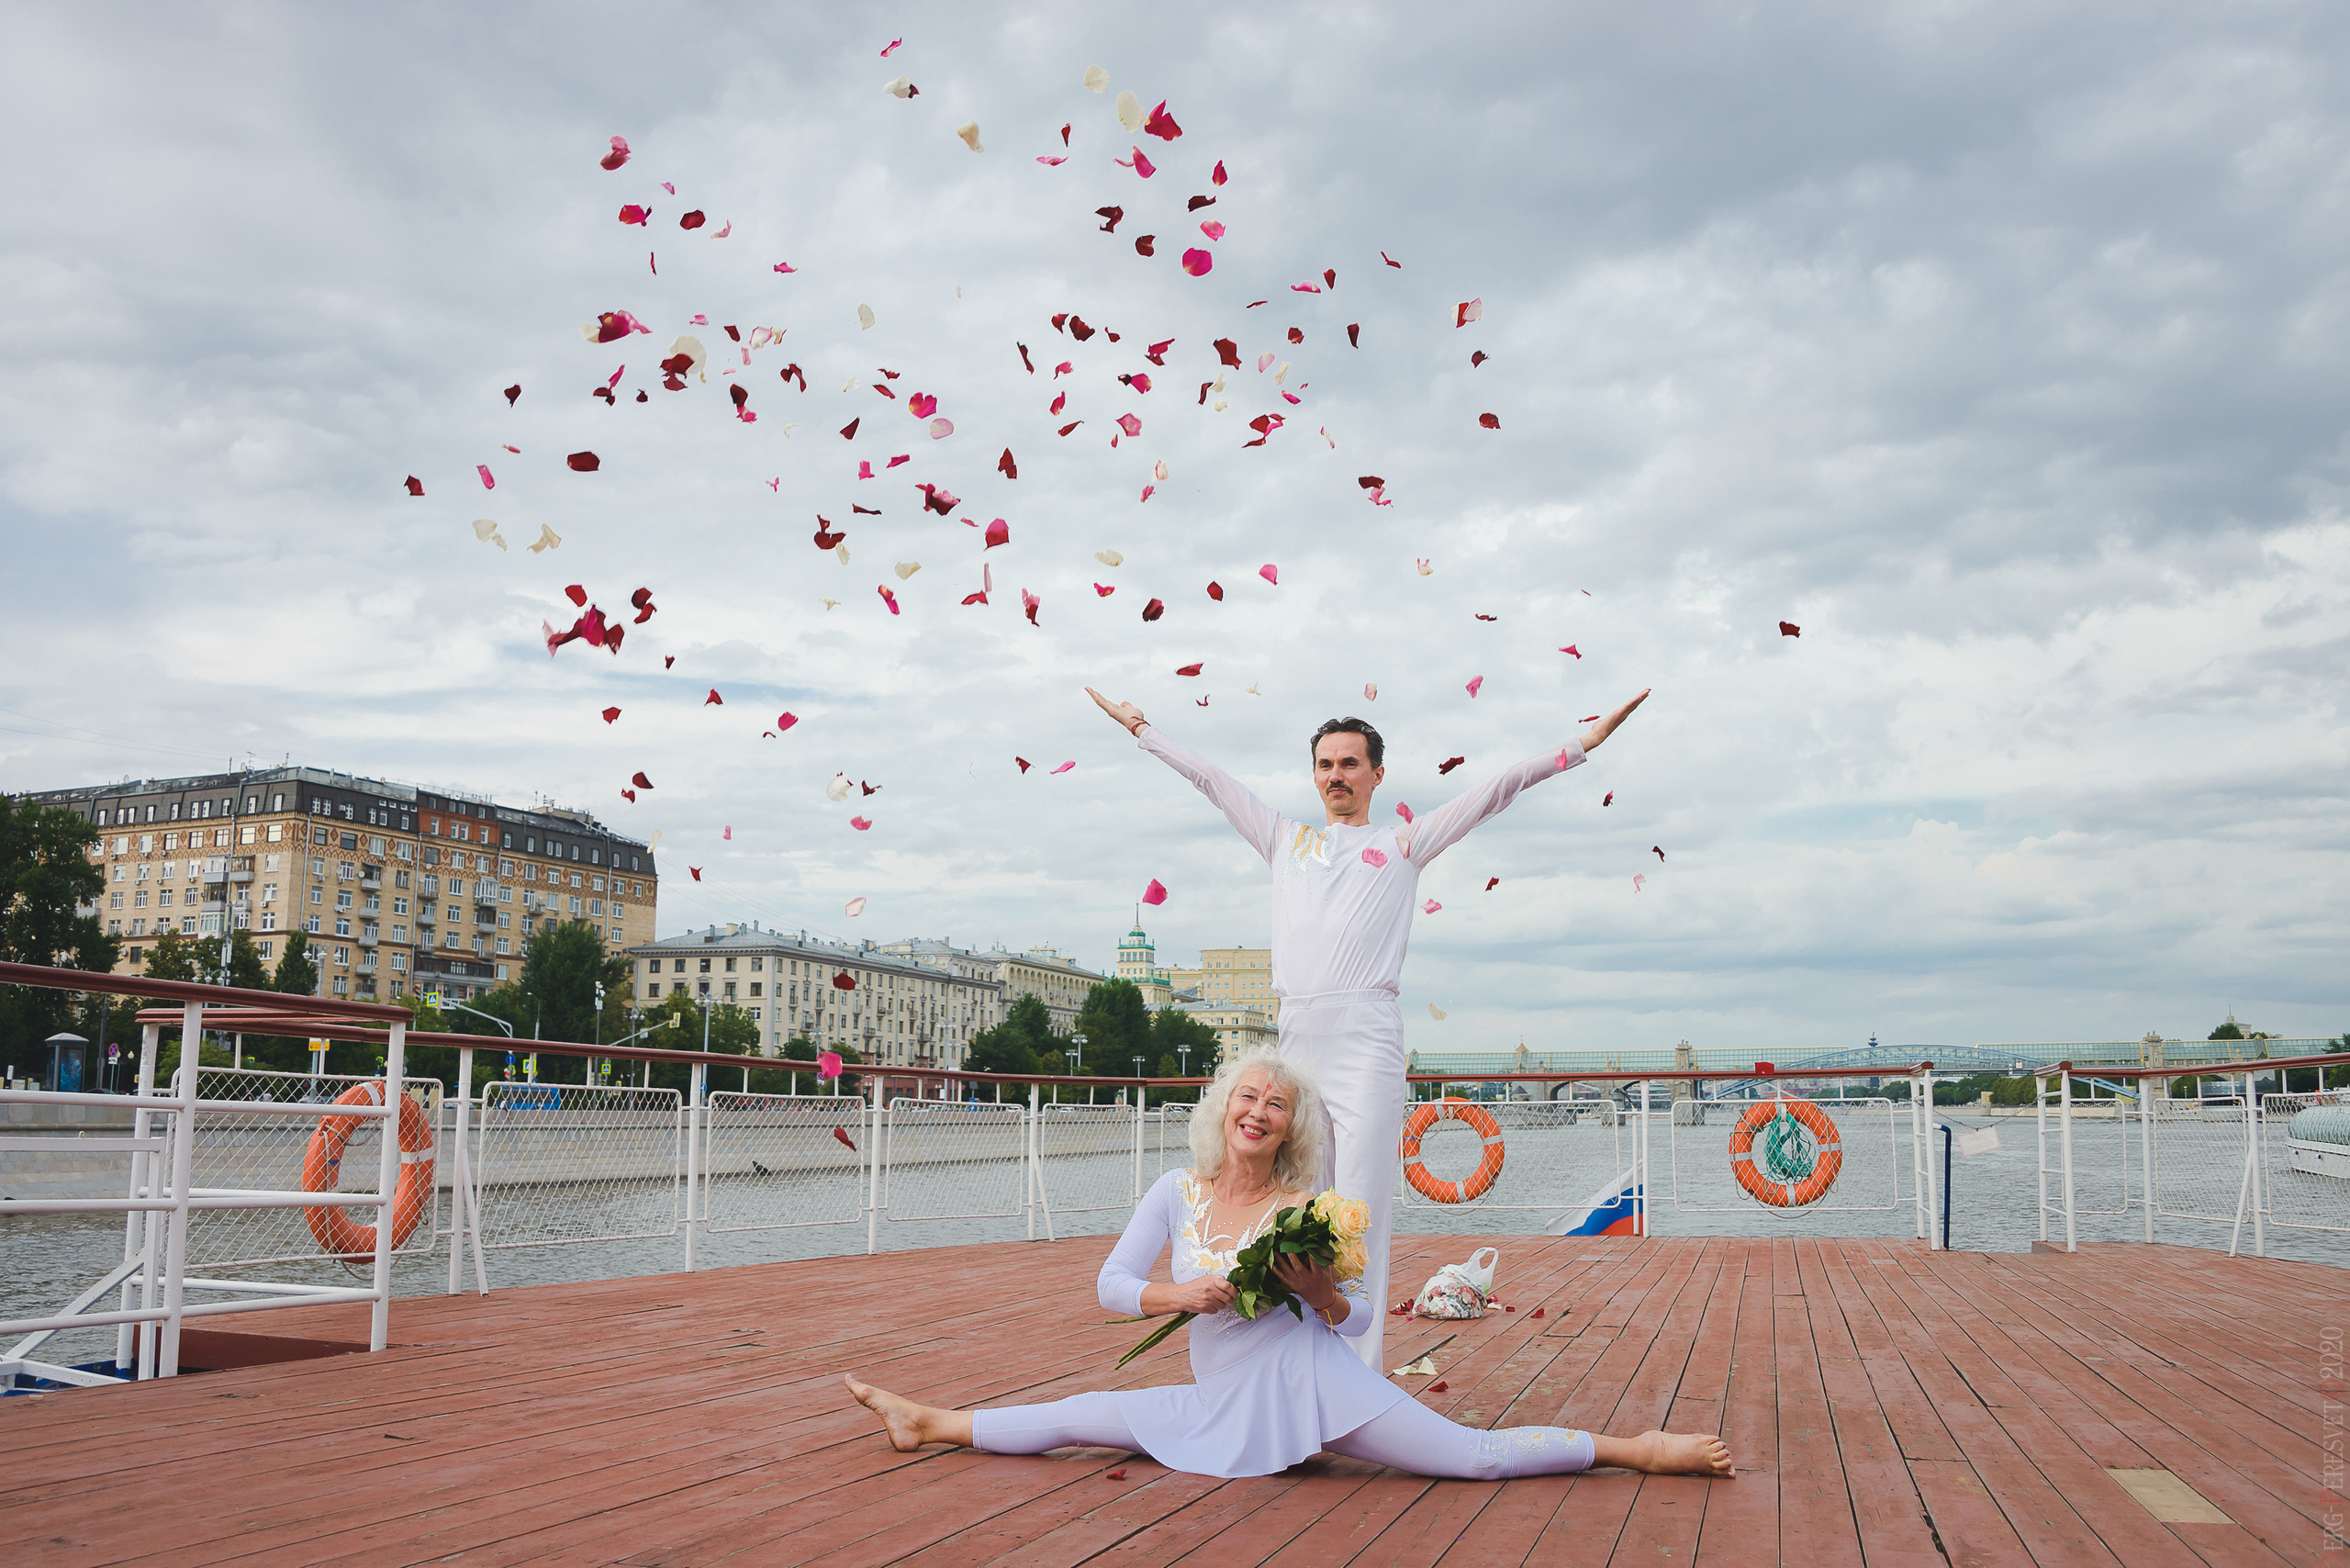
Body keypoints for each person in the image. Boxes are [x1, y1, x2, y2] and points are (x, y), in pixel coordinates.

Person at [1083, 684, 1649, 1367]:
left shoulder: (1404, 843)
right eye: (1325, 764)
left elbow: (1496, 790)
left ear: (1377, 775)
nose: (1336, 776)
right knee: (1296, 1211)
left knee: (1360, 1215)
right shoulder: (1285, 840)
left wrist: (1581, 744)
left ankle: (1362, 1375)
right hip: (1298, 1043)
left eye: (1350, 764)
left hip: (1367, 1037)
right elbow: (1212, 780)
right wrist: (1141, 727)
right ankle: (1294, 1362)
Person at [845, 1049, 1729, 1482]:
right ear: (1225, 1109)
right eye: (1249, 1096)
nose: (1260, 1111)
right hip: (1217, 1397)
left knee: (1469, 1459)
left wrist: (1318, 1292)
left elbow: (1357, 1322)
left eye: (1277, 1105)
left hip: (1316, 1389)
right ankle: (930, 1422)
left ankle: (1637, 1450)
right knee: (1083, 1413)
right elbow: (1113, 1287)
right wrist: (1182, 1294)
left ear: (1290, 1129)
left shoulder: (1304, 1213)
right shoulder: (1173, 1191)